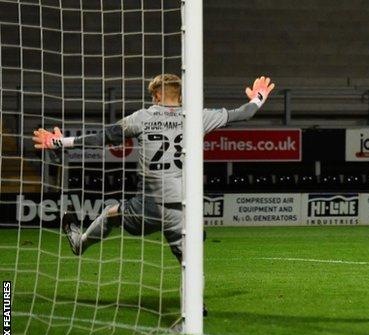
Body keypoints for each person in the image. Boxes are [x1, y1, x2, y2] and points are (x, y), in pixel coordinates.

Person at [32, 74, 275, 264]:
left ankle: (80, 243)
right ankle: (195, 308)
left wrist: (58, 142)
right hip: (183, 207)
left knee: (110, 213)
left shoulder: (143, 117)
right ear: (179, 95)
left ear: (157, 95)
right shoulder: (198, 117)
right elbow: (245, 113)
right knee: (187, 261)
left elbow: (103, 137)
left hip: (147, 207)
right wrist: (259, 97)